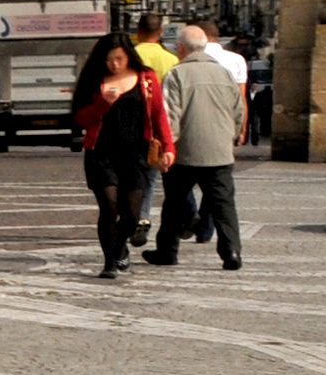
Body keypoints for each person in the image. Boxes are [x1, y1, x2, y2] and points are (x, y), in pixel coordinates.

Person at [149, 29, 244, 270]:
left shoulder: (177, 74)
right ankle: (231, 251)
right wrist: (230, 137)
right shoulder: (224, 74)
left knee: (175, 203)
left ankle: (167, 251)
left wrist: (168, 148)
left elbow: (170, 114)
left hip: (185, 151)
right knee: (224, 205)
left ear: (181, 48)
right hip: (220, 151)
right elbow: (238, 111)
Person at [76, 41, 168, 278]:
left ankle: (119, 249)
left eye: (119, 58)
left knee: (132, 215)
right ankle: (109, 263)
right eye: (109, 59)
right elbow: (80, 118)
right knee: (109, 207)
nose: (114, 64)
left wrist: (168, 147)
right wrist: (102, 103)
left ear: (129, 56)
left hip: (135, 154)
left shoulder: (146, 78)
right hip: (101, 153)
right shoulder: (93, 80)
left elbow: (159, 115)